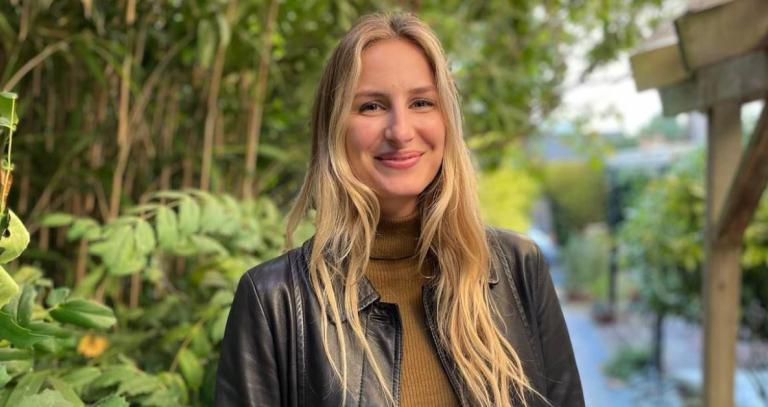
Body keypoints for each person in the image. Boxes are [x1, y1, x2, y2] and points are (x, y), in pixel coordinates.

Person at [215, 12, 583, 407]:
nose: (401, 131)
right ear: (334, 127)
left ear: (446, 120)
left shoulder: (516, 270)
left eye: (422, 102)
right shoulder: (276, 301)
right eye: (372, 106)